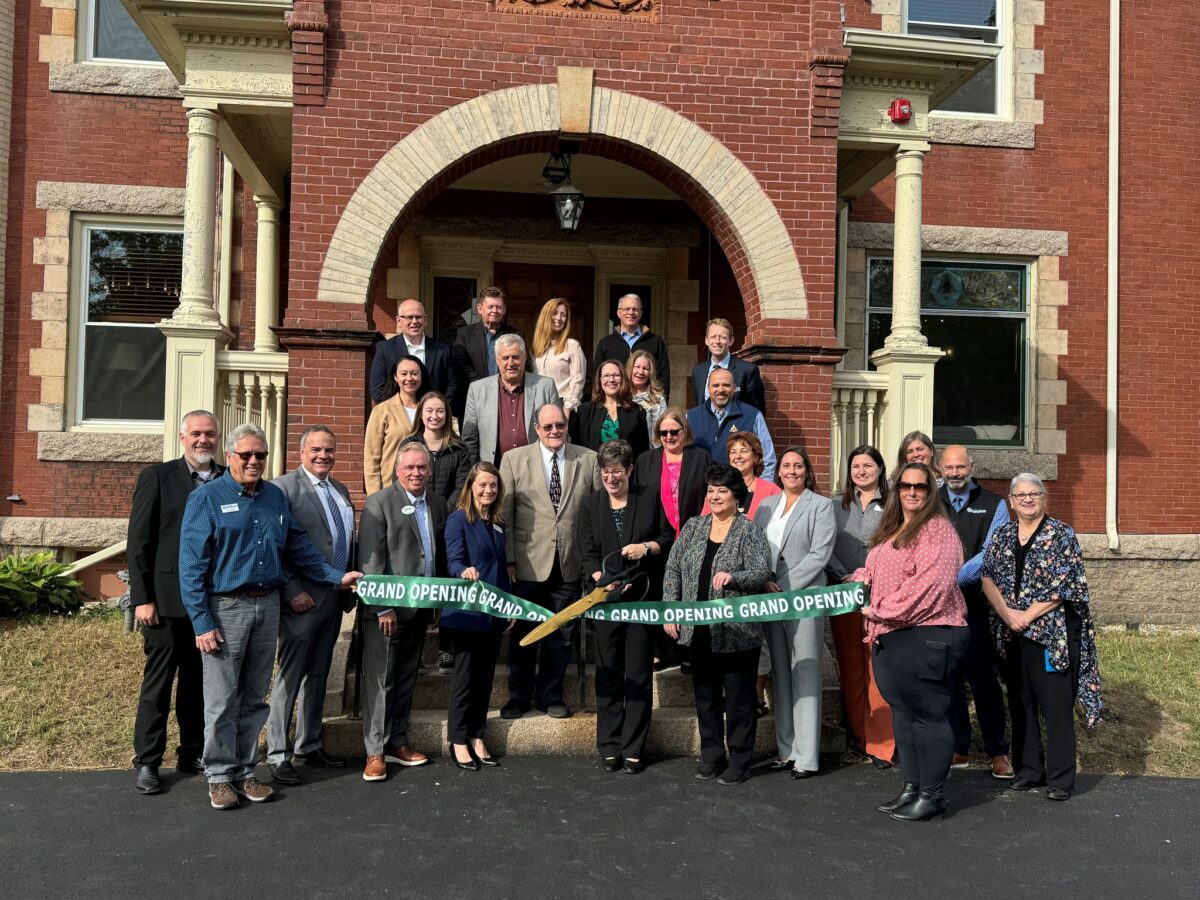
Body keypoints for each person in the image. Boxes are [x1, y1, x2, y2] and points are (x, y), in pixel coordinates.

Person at [179, 424, 360, 810]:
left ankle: (245, 771)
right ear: (228, 457)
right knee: (222, 699)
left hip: (268, 606)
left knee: (254, 697)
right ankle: (219, 776)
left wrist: (335, 578)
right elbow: (191, 566)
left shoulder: (274, 498)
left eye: (259, 455)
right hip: (225, 609)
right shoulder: (207, 499)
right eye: (245, 455)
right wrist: (201, 621)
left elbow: (300, 548)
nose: (253, 461)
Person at [851, 462, 968, 822]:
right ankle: (912, 787)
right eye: (905, 486)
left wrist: (879, 609)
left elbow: (932, 587)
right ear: (896, 489)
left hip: (929, 632)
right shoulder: (892, 529)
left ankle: (931, 796)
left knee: (929, 716)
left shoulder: (939, 531)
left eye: (920, 486)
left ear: (931, 492)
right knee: (903, 714)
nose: (912, 492)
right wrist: (857, 582)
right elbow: (872, 570)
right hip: (892, 635)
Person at [982, 474, 1102, 802]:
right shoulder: (1003, 534)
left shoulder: (1061, 534)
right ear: (1010, 501)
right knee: (1020, 703)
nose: (1028, 499)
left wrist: (1025, 616)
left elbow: (1068, 585)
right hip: (1010, 634)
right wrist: (1008, 616)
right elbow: (988, 577)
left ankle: (1061, 779)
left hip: (1051, 636)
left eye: (1034, 493)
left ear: (1044, 497)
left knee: (1056, 706)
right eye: (1021, 495)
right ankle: (1028, 770)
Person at [127, 410, 222, 796]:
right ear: (183, 437)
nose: (203, 440)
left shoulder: (225, 478)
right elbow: (139, 542)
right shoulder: (158, 477)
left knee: (198, 683)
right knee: (159, 684)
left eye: (210, 434)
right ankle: (148, 760)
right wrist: (142, 598)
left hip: (210, 602)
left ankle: (192, 751)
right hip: (164, 603)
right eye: (196, 434)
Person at [663, 465, 771, 786]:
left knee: (739, 699)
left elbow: (760, 571)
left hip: (737, 633)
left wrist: (734, 577)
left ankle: (740, 759)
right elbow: (673, 570)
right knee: (706, 696)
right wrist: (672, 609)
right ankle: (712, 754)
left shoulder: (748, 531)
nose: (714, 496)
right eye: (711, 490)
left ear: (737, 496)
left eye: (722, 490)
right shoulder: (694, 527)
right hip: (698, 631)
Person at [265, 426, 356, 785]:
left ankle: (309, 742)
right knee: (290, 675)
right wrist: (291, 590)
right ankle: (277, 752)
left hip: (334, 596)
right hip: (301, 598)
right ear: (300, 453)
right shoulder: (283, 489)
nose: (323, 455)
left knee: (319, 672)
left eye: (329, 450)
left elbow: (346, 537)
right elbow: (275, 545)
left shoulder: (341, 489)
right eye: (316, 449)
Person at [577, 441, 674, 774]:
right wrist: (603, 578)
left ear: (630, 470)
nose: (611, 478)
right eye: (605, 472)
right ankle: (609, 744)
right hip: (606, 601)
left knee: (637, 674)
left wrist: (646, 547)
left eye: (617, 471)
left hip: (642, 601)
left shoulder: (647, 497)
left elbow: (667, 536)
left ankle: (634, 747)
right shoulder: (590, 504)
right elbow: (586, 552)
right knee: (607, 674)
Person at [499, 403, 601, 719]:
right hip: (528, 562)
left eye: (559, 425)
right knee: (524, 634)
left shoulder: (588, 459)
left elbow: (596, 513)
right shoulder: (514, 460)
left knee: (561, 635)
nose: (554, 431)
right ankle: (518, 696)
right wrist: (510, 558)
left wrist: (591, 561)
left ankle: (551, 696)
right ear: (536, 428)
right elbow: (505, 514)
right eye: (548, 427)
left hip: (569, 563)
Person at [358, 442, 448, 782]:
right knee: (381, 681)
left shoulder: (437, 505)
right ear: (397, 471)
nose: (416, 473)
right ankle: (375, 752)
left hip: (420, 610)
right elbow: (371, 558)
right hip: (387, 612)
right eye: (409, 467)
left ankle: (397, 741)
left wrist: (436, 601)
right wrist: (383, 605)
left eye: (422, 467)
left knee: (406, 679)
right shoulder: (380, 503)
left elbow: (435, 556)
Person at [752, 447, 836, 779]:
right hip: (771, 600)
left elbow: (820, 555)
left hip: (802, 600)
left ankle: (807, 756)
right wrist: (763, 581)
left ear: (807, 471)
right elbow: (756, 548)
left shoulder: (821, 506)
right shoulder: (766, 506)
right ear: (779, 471)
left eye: (798, 465)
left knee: (804, 674)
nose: (791, 470)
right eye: (786, 465)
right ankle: (786, 749)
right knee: (780, 676)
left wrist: (784, 587)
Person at [939, 445, 1013, 779]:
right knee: (949, 676)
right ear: (940, 468)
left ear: (972, 466)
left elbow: (992, 551)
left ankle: (999, 751)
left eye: (960, 467)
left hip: (977, 604)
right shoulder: (930, 500)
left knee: (983, 680)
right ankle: (959, 746)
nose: (955, 473)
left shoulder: (994, 504)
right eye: (949, 468)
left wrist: (952, 578)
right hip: (938, 605)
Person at [825, 445, 896, 769]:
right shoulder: (834, 505)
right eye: (856, 466)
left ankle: (882, 745)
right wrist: (845, 576)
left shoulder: (893, 504)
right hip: (843, 595)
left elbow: (897, 546)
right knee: (852, 669)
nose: (862, 471)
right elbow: (825, 546)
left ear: (880, 469)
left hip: (881, 597)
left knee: (877, 670)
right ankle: (858, 738)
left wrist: (872, 578)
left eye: (869, 465)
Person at [443, 462, 509, 771]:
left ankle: (477, 735)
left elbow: (502, 565)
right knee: (466, 677)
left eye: (493, 486)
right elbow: (454, 560)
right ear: (470, 486)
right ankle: (458, 739)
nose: (488, 490)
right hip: (469, 611)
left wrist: (509, 605)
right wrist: (463, 571)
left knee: (485, 678)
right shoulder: (458, 520)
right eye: (482, 485)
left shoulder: (497, 522)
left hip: (494, 611)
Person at [634, 408, 712, 672]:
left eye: (674, 431)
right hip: (658, 539)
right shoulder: (646, 460)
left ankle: (687, 651)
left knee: (689, 593)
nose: (669, 436)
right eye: (663, 432)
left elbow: (708, 496)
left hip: (691, 538)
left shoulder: (699, 458)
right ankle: (660, 651)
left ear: (684, 432)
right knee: (658, 591)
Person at [461, 334, 561, 465]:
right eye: (505, 358)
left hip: (537, 470)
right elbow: (469, 440)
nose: (511, 363)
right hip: (494, 473)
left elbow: (559, 431)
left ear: (524, 357)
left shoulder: (545, 387)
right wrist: (475, 474)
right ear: (497, 360)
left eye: (515, 357)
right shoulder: (477, 390)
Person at [687, 367, 776, 480]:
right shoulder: (691, 417)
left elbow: (768, 458)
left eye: (726, 385)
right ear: (708, 389)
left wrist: (763, 491)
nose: (721, 390)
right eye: (716, 385)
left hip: (741, 490)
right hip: (701, 490)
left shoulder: (752, 416)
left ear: (734, 388)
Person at [451, 286, 524, 421]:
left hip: (508, 399)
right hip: (474, 399)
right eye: (490, 307)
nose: (494, 311)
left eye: (498, 307)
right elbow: (460, 365)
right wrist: (484, 387)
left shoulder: (516, 335)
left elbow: (523, 365)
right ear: (480, 308)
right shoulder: (465, 334)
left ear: (504, 310)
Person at [370, 298, 457, 406]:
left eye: (419, 317)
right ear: (398, 321)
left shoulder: (443, 350)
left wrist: (438, 409)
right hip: (397, 418)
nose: (414, 321)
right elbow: (377, 389)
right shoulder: (385, 349)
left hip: (432, 419)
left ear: (425, 320)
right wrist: (396, 412)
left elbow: (452, 386)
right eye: (409, 317)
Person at [364, 356, 432, 494]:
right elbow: (371, 457)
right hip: (390, 487)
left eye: (414, 373)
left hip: (425, 486)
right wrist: (374, 496)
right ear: (395, 377)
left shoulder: (430, 409)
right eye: (404, 373)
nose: (409, 378)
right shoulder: (382, 410)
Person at [396, 392, 472, 504]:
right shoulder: (408, 444)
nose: (435, 416)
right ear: (421, 414)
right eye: (429, 411)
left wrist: (443, 511)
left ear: (447, 415)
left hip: (448, 515)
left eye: (440, 411)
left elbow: (461, 488)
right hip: (413, 511)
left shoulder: (459, 448)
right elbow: (399, 481)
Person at [594, 293, 670, 401]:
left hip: (647, 404)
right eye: (626, 309)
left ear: (640, 314)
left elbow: (663, 376)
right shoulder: (605, 343)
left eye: (635, 309)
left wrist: (661, 404)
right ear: (618, 313)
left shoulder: (655, 341)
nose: (631, 312)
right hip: (615, 402)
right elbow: (597, 377)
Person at [568, 360, 650, 460]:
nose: (611, 380)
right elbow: (577, 449)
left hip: (626, 473)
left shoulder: (637, 411)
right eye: (606, 376)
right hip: (594, 473)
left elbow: (643, 451)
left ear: (623, 378)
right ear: (599, 380)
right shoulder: (584, 411)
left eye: (616, 375)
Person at [690, 317, 766, 413]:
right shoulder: (698, 371)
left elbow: (757, 411)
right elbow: (698, 407)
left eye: (723, 337)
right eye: (713, 337)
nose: (717, 341)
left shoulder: (747, 371)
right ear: (706, 340)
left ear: (731, 341)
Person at [531, 297, 587, 420]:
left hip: (562, 404)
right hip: (538, 405)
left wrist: (567, 407)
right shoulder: (535, 348)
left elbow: (578, 380)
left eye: (563, 315)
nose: (559, 318)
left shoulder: (572, 346)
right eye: (555, 313)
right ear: (545, 316)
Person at [702, 432, 780, 518]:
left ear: (756, 456)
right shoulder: (716, 488)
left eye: (743, 451)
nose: (737, 456)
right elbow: (705, 520)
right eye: (733, 452)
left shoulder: (772, 491)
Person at [628, 350, 667, 446]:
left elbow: (662, 431)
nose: (641, 372)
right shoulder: (621, 395)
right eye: (637, 367)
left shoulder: (657, 399)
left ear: (651, 373)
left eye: (646, 368)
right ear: (630, 369)